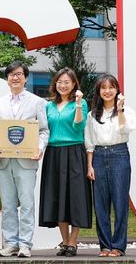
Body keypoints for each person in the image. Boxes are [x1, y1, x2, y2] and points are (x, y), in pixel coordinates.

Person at [0, 61, 49, 258]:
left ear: (25, 77)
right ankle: (11, 243)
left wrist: (39, 148)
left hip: (27, 161)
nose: (15, 77)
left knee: (27, 203)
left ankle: (25, 244)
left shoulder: (37, 102)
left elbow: (44, 130)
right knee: (8, 204)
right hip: (4, 160)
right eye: (11, 74)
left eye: (19, 74)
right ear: (7, 79)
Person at [39, 67, 91, 257]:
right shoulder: (48, 106)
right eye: (60, 82)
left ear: (74, 84)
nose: (63, 85)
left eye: (67, 82)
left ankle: (73, 241)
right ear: (55, 84)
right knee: (58, 196)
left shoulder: (82, 103)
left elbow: (79, 124)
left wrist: (77, 103)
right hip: (53, 154)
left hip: (75, 152)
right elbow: (43, 130)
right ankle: (64, 240)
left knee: (76, 196)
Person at [85, 74, 136, 257]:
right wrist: (90, 166)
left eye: (111, 87)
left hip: (119, 155)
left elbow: (126, 129)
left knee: (120, 203)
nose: (107, 91)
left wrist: (120, 109)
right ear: (99, 91)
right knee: (100, 205)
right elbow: (89, 142)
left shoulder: (127, 111)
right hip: (98, 156)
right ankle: (105, 246)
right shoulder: (92, 114)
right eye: (103, 88)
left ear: (117, 90)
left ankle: (118, 246)